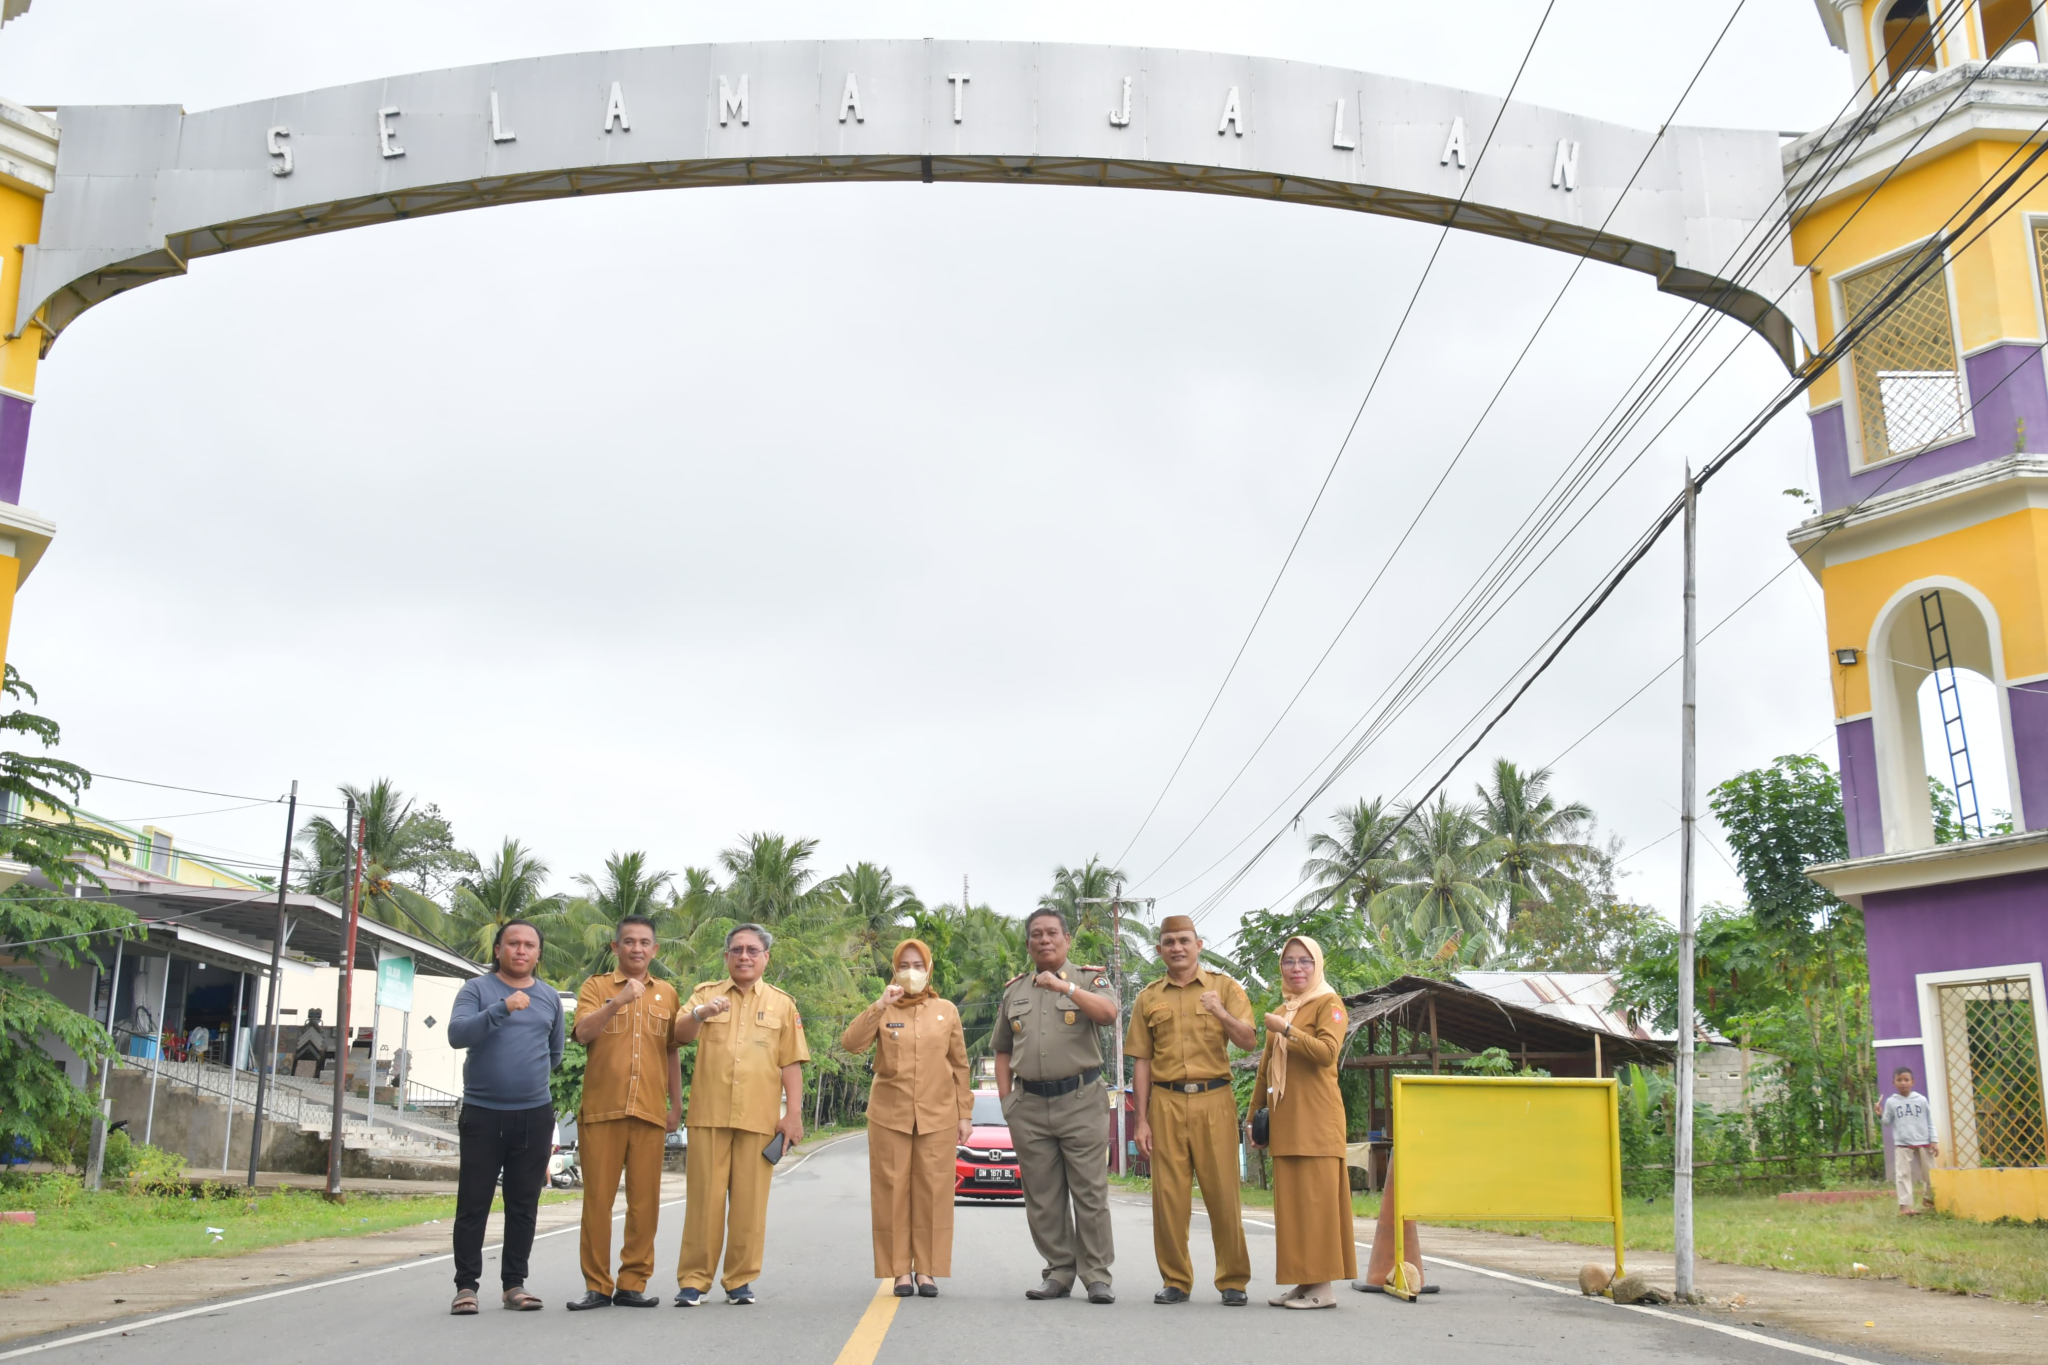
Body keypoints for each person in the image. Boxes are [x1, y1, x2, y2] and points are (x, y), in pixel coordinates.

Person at [670, 923, 809, 1306]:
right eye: (737, 950)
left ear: (766, 957)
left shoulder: (783, 1004)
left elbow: (792, 1063)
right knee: (704, 1203)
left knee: (749, 1205)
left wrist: (792, 1115)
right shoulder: (704, 994)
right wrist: (700, 1014)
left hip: (759, 1119)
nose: (744, 956)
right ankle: (694, 1281)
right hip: (708, 1116)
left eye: (752, 950)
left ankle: (740, 1281)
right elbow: (679, 1035)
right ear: (726, 956)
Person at [1127, 914, 1256, 1306]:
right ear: (1159, 950)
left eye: (1184, 940)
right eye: (1169, 942)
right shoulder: (1148, 997)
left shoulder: (1225, 987)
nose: (1177, 947)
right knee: (1168, 1197)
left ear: (1199, 945)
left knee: (1223, 1194)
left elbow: (1249, 1040)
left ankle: (1233, 1279)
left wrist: (1219, 1011)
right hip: (1164, 1102)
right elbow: (1142, 1062)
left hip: (1214, 1098)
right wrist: (1141, 1120)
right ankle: (1176, 1280)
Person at [996, 907, 1119, 1304]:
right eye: (1036, 935)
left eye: (1052, 933)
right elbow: (1001, 1049)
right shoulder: (1014, 991)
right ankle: (1059, 1272)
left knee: (1089, 1192)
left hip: (1081, 1101)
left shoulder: (1089, 979)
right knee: (1043, 1196)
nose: (1044, 940)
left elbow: (1108, 1013)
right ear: (1029, 943)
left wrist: (1065, 989)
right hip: (1029, 1104)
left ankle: (1097, 1275)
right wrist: (1006, 1101)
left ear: (1067, 940)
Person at [841, 939, 972, 1297]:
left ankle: (926, 1270)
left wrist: (965, 1115)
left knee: (934, 1191)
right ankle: (899, 1271)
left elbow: (960, 1065)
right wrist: (880, 1005)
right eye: (904, 965)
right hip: (889, 1114)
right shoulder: (885, 1008)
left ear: (928, 969)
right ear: (894, 969)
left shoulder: (946, 1010)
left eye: (918, 965)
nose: (911, 972)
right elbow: (851, 1043)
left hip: (939, 1115)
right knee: (891, 1191)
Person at [446, 920, 565, 1315]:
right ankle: (466, 1287)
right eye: (513, 943)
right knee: (474, 1202)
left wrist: (527, 1085)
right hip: (482, 1113)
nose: (521, 950)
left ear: (538, 954)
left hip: (533, 1114)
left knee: (523, 1203)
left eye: (529, 945)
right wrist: (502, 1008)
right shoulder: (477, 990)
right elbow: (458, 1034)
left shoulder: (549, 998)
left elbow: (554, 1054)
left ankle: (514, 1284)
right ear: (498, 949)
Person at [568, 916, 685, 1311]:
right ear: (615, 947)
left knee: (645, 1201)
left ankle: (633, 1282)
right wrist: (618, 1001)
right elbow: (583, 1033)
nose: (637, 948)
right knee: (597, 1201)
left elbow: (671, 1049)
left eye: (645, 942)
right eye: (629, 942)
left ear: (655, 950)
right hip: (603, 1110)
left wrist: (676, 1103)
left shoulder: (668, 993)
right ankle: (597, 1285)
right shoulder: (596, 987)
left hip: (650, 1110)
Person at [1250, 935, 1354, 1310]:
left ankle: (1323, 1289)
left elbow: (1327, 1054)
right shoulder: (1283, 1008)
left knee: (1318, 1205)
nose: (1296, 969)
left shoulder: (1330, 1004)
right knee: (1293, 1208)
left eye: (1305, 962)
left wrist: (1287, 1031)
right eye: (1289, 962)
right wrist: (1252, 1120)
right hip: (1285, 1122)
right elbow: (1265, 1071)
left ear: (1317, 966)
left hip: (1317, 1122)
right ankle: (1304, 1282)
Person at [1880, 1066, 1939, 1215]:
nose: (1903, 1083)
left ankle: (1930, 1200)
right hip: (1903, 1143)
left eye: (1906, 1080)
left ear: (1913, 1082)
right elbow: (1887, 1122)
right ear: (1894, 1082)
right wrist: (1880, 1114)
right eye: (1899, 1080)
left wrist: (1934, 1140)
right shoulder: (1892, 1102)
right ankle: (1905, 1207)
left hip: (1923, 1141)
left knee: (1931, 1173)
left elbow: (1929, 1121)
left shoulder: (1921, 1100)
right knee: (1903, 1174)